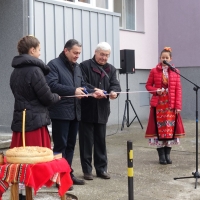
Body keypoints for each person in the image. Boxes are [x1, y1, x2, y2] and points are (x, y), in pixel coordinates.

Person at [10, 35, 60, 200]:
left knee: (20, 162)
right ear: (32, 50)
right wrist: (57, 97)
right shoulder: (35, 70)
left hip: (21, 120)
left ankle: (22, 193)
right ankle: (29, 193)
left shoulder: (15, 71)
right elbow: (46, 97)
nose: (40, 53)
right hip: (34, 122)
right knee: (34, 161)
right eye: (38, 50)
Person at [45, 39, 102, 186]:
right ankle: (58, 177)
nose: (77, 56)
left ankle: (67, 173)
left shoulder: (77, 67)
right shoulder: (54, 65)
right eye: (75, 53)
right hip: (60, 113)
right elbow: (51, 85)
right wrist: (73, 91)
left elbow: (82, 85)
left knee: (70, 145)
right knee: (60, 146)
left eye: (79, 53)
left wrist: (94, 91)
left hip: (75, 112)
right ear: (66, 51)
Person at [79, 42, 121, 180]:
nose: (104, 58)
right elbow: (82, 83)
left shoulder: (111, 69)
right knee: (86, 142)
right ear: (95, 52)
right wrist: (93, 91)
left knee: (100, 141)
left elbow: (115, 84)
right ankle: (87, 170)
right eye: (102, 54)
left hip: (102, 110)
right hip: (87, 109)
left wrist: (114, 92)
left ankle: (101, 169)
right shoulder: (84, 66)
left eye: (107, 55)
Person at [145, 47, 185, 165]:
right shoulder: (154, 71)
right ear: (160, 58)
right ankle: (161, 156)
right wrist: (156, 90)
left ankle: (168, 155)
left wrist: (178, 106)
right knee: (159, 131)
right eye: (163, 57)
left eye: (167, 57)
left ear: (170, 59)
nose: (164, 59)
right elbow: (148, 86)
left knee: (169, 131)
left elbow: (178, 90)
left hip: (170, 105)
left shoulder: (175, 71)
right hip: (158, 105)